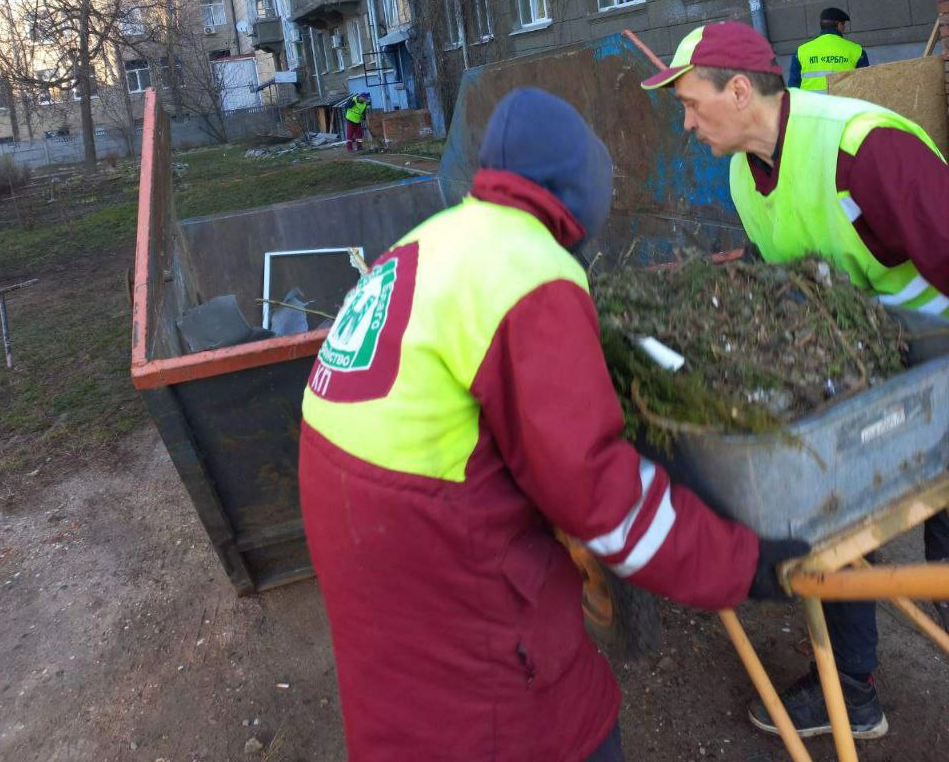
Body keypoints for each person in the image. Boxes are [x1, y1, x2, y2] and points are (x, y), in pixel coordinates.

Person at [299, 87, 802, 762]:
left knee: (413, 706)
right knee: (558, 725)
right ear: (581, 195)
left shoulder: (438, 237)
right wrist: (744, 564)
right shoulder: (530, 272)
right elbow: (597, 497)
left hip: (363, 529)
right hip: (433, 537)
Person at [642, 20, 949, 741]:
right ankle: (853, 689)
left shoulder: (866, 148)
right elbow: (790, 293)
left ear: (740, 90)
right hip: (868, 351)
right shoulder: (743, 178)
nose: (685, 124)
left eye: (691, 104)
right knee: (833, 495)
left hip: (938, 336)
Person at [788, 6, 868, 91]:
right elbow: (865, 86)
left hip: (810, 104)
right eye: (843, 24)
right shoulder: (857, 51)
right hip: (844, 104)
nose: (844, 28)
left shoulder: (801, 51)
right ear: (839, 25)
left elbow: (793, 88)